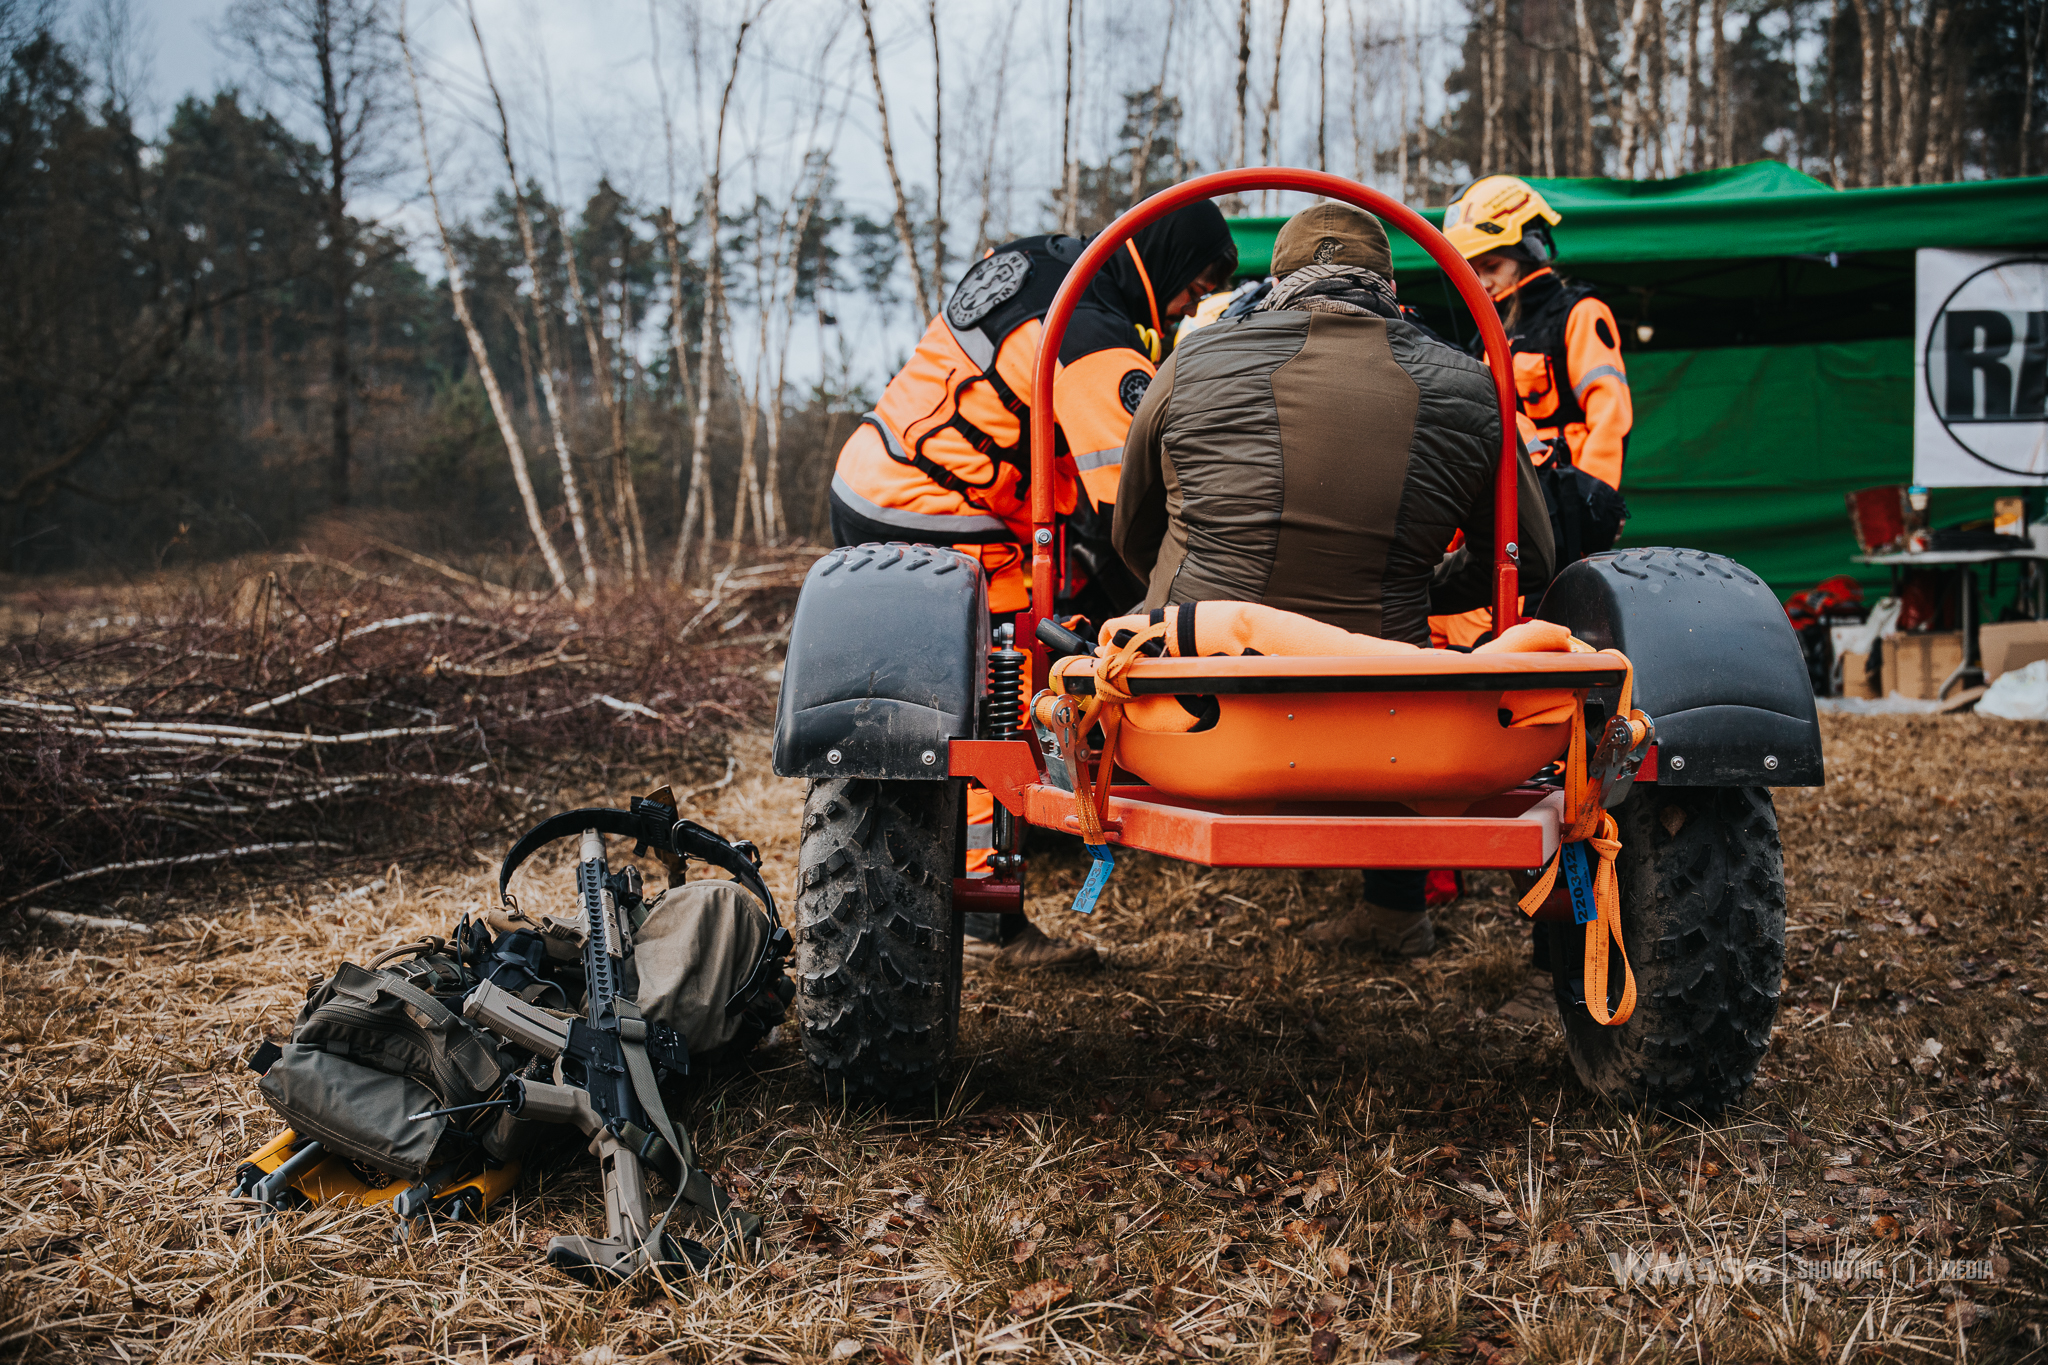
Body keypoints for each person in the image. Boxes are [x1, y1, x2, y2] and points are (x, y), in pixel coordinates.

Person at [1113, 202, 1555, 957]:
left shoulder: (1192, 361)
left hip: (1190, 717)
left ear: (1276, 283)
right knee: (1398, 645)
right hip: (1393, 726)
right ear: (1389, 287)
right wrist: (1418, 587)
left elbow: (1130, 533)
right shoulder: (1474, 385)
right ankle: (1395, 911)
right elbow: (1525, 561)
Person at [829, 200, 1239, 971]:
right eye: (1193, 289)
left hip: (871, 476)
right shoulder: (1095, 337)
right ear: (1169, 264)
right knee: (997, 697)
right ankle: (989, 919)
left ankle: (926, 852)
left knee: (924, 697)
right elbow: (1130, 506)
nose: (1188, 308)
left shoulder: (1036, 262)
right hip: (944, 514)